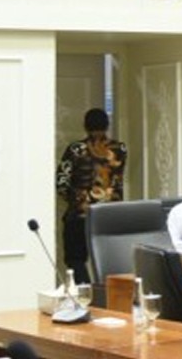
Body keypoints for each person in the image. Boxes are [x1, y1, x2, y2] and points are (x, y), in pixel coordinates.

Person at [55, 108, 128, 284]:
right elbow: (117, 179)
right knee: (108, 258)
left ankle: (86, 296)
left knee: (75, 258)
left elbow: (61, 182)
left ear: (85, 125)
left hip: (80, 212)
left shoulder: (76, 149)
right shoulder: (120, 149)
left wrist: (75, 199)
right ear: (107, 125)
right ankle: (111, 298)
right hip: (110, 212)